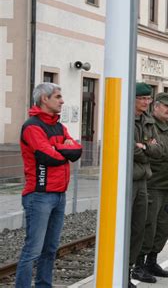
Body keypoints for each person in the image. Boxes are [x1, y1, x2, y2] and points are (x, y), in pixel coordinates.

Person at [16, 82, 83, 287]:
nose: (62, 101)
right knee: (33, 250)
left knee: (51, 248)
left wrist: (57, 147)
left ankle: (44, 285)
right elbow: (47, 156)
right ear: (44, 99)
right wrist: (63, 149)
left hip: (59, 194)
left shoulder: (59, 126)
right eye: (58, 97)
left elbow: (77, 150)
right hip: (39, 195)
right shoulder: (32, 126)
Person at [138, 92, 168, 279]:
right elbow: (154, 152)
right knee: (148, 227)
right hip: (153, 185)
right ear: (156, 106)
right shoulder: (151, 126)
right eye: (166, 105)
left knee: (162, 228)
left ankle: (151, 262)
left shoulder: (166, 127)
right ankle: (139, 266)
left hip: (166, 186)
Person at [130, 82, 162, 286]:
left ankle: (128, 270)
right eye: (142, 98)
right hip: (129, 180)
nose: (146, 102)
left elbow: (158, 152)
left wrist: (143, 148)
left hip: (143, 180)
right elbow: (128, 149)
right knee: (126, 227)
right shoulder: (126, 120)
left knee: (139, 227)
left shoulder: (148, 122)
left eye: (148, 99)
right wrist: (144, 149)